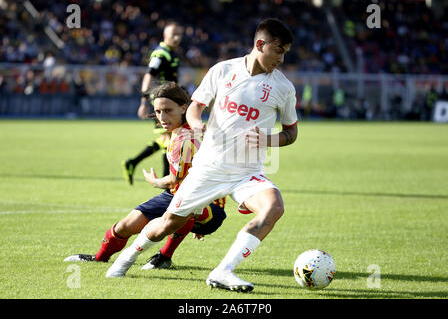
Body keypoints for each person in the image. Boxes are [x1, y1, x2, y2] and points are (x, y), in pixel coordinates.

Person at [106, 18, 298, 293]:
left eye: (285, 53)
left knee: (274, 207)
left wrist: (268, 139)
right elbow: (195, 107)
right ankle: (127, 257)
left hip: (247, 172)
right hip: (208, 168)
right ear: (260, 44)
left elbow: (291, 133)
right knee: (167, 226)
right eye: (278, 50)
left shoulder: (283, 88)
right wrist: (196, 124)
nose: (281, 58)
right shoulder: (223, 71)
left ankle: (224, 271)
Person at [65, 82, 227, 268]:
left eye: (168, 110)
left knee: (185, 209)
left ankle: (164, 257)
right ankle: (100, 258)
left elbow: (174, 180)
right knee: (127, 224)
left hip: (208, 205)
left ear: (184, 107)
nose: (162, 117)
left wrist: (154, 181)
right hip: (180, 195)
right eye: (158, 111)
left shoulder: (185, 139)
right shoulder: (181, 132)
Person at [122, 21, 184, 185]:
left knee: (167, 139)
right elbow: (149, 75)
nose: (177, 38)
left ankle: (133, 163)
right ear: (165, 36)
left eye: (179, 35)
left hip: (170, 101)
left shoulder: (171, 53)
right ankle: (167, 186)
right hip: (163, 104)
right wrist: (143, 101)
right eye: (173, 35)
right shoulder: (160, 54)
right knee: (170, 139)